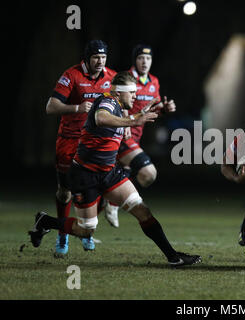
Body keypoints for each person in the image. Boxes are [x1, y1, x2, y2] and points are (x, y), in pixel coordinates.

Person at [30, 71, 201, 267]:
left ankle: (173, 257)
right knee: (86, 229)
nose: (135, 96)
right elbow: (101, 117)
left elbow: (131, 117)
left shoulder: (119, 106)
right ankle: (45, 221)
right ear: (119, 93)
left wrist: (153, 113)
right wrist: (132, 121)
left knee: (142, 210)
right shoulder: (108, 101)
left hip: (109, 173)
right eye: (132, 92)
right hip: (85, 175)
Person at [46, 40, 116, 256]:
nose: (100, 62)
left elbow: (119, 103)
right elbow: (50, 107)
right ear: (87, 58)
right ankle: (63, 234)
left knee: (100, 188)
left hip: (95, 142)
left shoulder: (111, 77)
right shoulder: (71, 75)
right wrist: (77, 107)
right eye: (96, 57)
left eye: (103, 57)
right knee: (65, 192)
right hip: (70, 140)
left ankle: (85, 232)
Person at [103, 44, 176, 228]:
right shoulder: (124, 79)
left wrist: (164, 110)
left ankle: (107, 205)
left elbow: (153, 110)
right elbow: (108, 99)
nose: (145, 62)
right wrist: (122, 117)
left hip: (136, 137)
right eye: (141, 58)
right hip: (120, 135)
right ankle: (113, 201)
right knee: (148, 174)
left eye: (148, 58)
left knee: (119, 175)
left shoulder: (154, 82)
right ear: (134, 60)